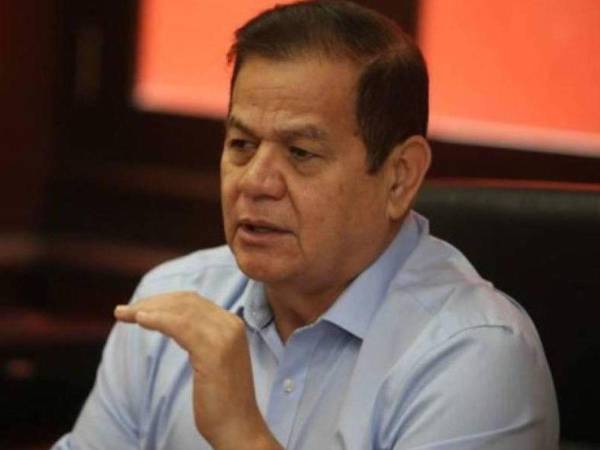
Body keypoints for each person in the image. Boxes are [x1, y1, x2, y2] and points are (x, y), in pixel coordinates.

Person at [52, 1, 559, 449]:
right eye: (242, 145)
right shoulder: (171, 304)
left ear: (400, 177)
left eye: (301, 153)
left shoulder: (475, 355)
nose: (255, 182)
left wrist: (241, 435)